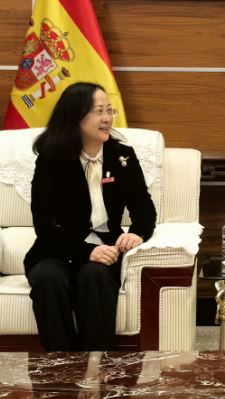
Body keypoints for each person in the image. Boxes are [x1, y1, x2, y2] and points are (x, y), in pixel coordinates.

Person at [24, 82, 157, 352]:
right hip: (57, 249)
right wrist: (86, 251)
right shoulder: (51, 159)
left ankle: (98, 365)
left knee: (95, 275)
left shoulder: (122, 156)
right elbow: (44, 224)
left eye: (109, 110)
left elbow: (144, 207)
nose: (107, 118)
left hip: (106, 247)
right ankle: (60, 368)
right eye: (98, 111)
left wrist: (138, 232)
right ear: (75, 116)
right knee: (48, 278)